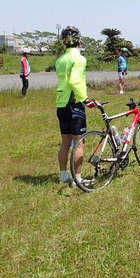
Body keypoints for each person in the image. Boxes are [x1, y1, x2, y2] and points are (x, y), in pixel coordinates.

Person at [55, 26, 99, 185]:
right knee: (79, 142)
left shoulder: (60, 60)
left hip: (61, 104)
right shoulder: (79, 58)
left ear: (63, 43)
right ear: (80, 41)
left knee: (65, 142)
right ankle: (78, 180)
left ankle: (63, 176)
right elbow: (74, 81)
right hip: (73, 103)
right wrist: (85, 99)